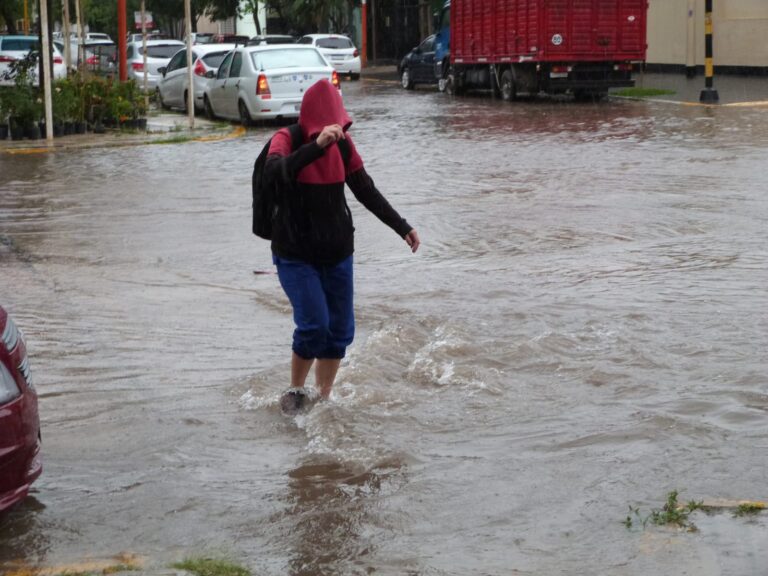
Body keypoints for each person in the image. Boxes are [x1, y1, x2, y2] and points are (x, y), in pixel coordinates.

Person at [264, 79, 420, 413]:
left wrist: (402, 227)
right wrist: (315, 147)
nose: (334, 132)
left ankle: (324, 398)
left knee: (338, 330)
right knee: (314, 324)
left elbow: (366, 190)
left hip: (337, 253)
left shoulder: (345, 146)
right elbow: (274, 173)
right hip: (295, 254)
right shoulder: (286, 139)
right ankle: (295, 390)